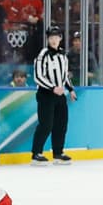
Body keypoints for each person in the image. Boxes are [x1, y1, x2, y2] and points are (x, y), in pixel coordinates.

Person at [31, 26, 77, 165]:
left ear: (60, 38)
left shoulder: (63, 55)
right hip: (46, 94)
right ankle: (36, 154)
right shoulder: (43, 54)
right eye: (51, 37)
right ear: (48, 39)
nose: (54, 40)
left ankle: (58, 153)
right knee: (46, 124)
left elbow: (65, 75)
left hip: (60, 94)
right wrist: (52, 88)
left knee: (61, 124)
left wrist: (71, 89)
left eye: (56, 37)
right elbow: (38, 76)